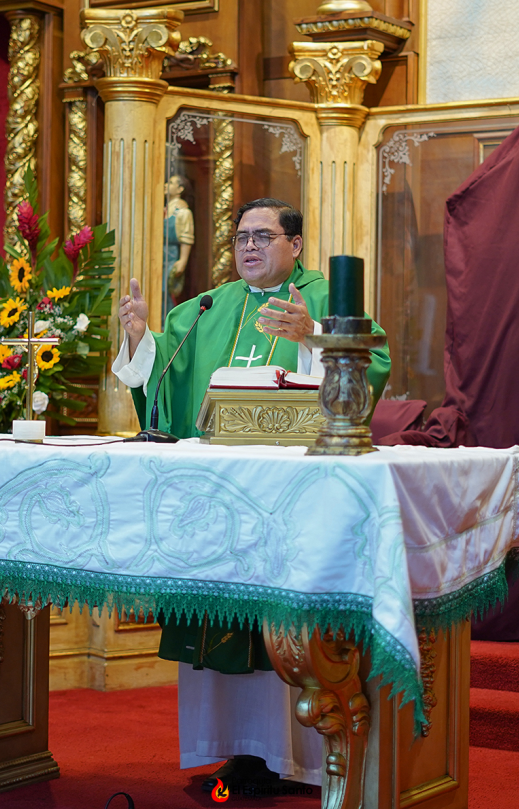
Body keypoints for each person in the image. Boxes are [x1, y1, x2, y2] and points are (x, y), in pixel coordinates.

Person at [111, 197, 390, 792]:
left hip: (296, 496)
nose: (249, 247)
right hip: (218, 498)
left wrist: (314, 335)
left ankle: (308, 757)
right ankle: (237, 749)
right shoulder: (209, 307)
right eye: (240, 238)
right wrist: (141, 340)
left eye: (263, 236)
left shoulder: (322, 300)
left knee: (283, 622)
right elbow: (165, 376)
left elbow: (375, 365)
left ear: (294, 245)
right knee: (223, 614)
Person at [162, 174, 195, 318]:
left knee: (166, 292)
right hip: (158, 255)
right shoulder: (162, 210)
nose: (165, 185)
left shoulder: (183, 213)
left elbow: (186, 239)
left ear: (180, 189)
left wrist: (182, 260)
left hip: (171, 256)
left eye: (171, 183)